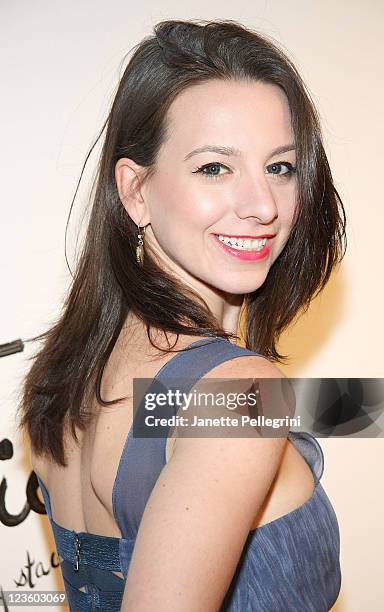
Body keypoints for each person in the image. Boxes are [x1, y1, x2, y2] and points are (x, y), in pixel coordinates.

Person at [18, 18, 346, 611]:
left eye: (281, 167)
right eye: (214, 167)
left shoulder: (65, 377)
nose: (263, 205)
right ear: (136, 191)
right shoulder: (238, 395)